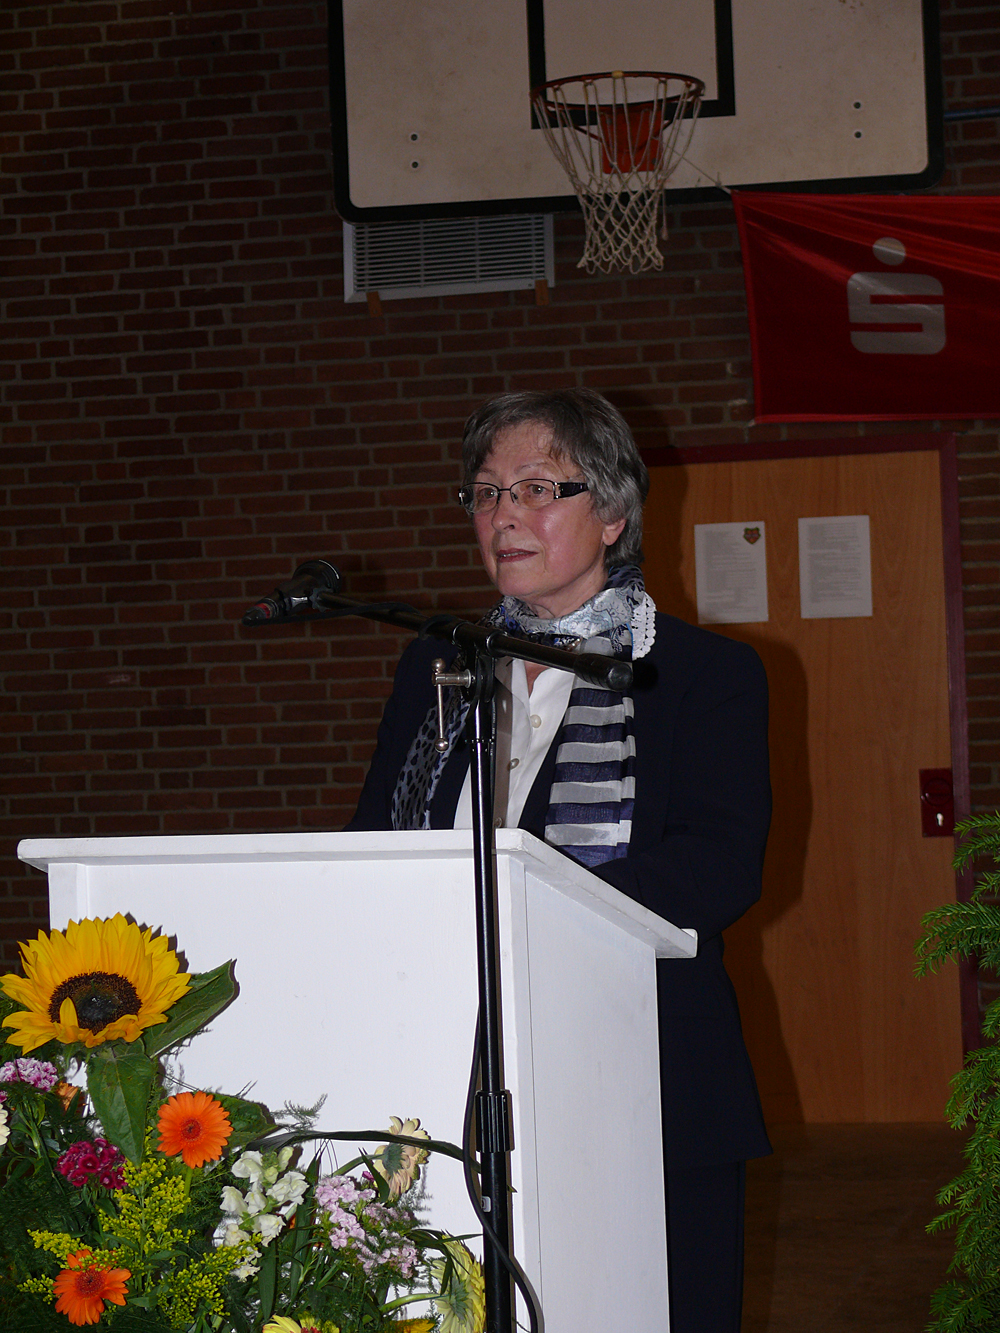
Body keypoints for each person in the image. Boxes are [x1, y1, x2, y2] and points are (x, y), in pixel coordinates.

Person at [346, 387, 772, 1333]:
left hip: (645, 1069)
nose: (504, 515)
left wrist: (531, 906)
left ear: (612, 513)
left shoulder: (700, 675)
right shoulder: (440, 666)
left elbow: (719, 866)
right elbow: (376, 837)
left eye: (538, 488)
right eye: (487, 492)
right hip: (440, 1058)